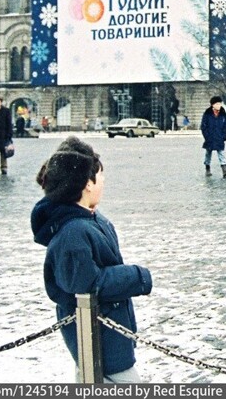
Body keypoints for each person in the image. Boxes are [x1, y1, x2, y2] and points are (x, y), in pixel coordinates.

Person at [30, 137, 153, 382]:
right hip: (97, 336)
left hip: (108, 332)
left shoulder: (90, 218)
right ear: (87, 184)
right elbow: (85, 284)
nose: (104, 181)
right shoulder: (73, 232)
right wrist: (138, 277)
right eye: (100, 175)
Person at [200, 96, 226, 177]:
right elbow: (203, 126)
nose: (219, 105)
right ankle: (207, 167)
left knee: (221, 152)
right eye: (217, 104)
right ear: (212, 105)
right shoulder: (207, 114)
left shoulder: (223, 114)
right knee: (208, 153)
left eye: (220, 103)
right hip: (210, 137)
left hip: (219, 136)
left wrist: (224, 136)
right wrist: (206, 136)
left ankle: (224, 168)